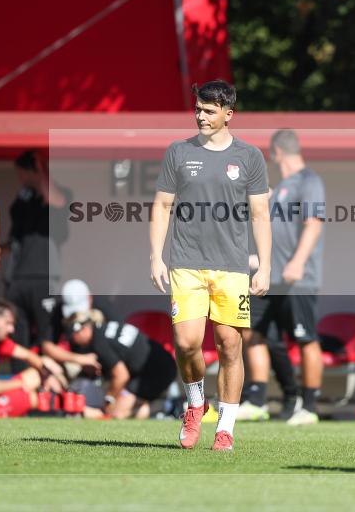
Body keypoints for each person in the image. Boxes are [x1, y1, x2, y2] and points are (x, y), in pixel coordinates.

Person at [150, 79, 271, 451]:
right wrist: (156, 255)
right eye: (198, 109)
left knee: (229, 343)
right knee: (186, 344)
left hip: (232, 267)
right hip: (186, 264)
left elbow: (260, 213)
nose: (200, 115)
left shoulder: (250, 157)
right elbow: (162, 206)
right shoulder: (178, 152)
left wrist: (265, 265)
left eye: (208, 110)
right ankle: (195, 403)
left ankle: (226, 427)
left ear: (228, 114)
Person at [242, 129, 326, 426]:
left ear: (277, 151)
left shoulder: (309, 181)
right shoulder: (282, 188)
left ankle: (310, 407)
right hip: (271, 279)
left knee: (305, 339)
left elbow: (313, 223)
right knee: (252, 333)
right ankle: (256, 401)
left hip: (297, 279)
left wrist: (297, 262)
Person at [4, 150, 69, 372]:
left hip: (45, 275)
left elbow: (56, 200)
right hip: (18, 278)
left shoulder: (59, 191)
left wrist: (41, 169)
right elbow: (15, 238)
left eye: (23, 173)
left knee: (47, 336)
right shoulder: (23, 198)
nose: (20, 178)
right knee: (16, 334)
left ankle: (50, 387)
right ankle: (20, 386)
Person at [66, 307, 176, 420]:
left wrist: (108, 401)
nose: (72, 341)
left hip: (156, 372)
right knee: (116, 407)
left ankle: (166, 406)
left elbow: (121, 376)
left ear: (83, 329)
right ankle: (161, 404)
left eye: (72, 337)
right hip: (158, 366)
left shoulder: (99, 342)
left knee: (114, 414)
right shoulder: (103, 328)